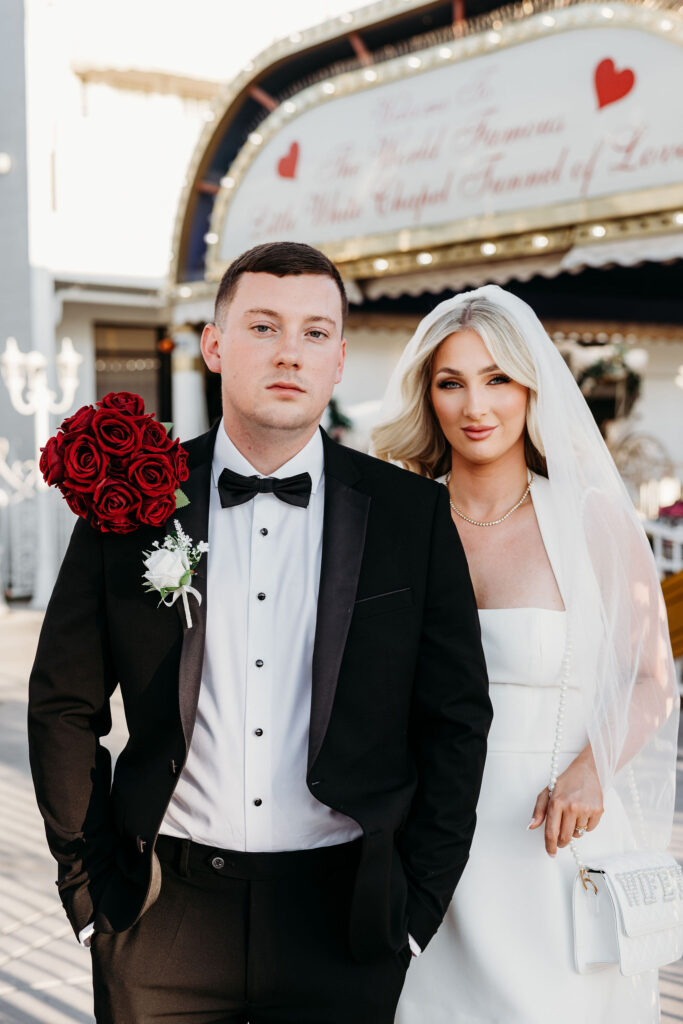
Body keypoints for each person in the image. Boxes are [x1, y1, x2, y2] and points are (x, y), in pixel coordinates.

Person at [27, 241, 492, 1024]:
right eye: (264, 326)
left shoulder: (410, 517)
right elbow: (63, 704)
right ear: (214, 345)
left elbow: (455, 718)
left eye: (315, 333)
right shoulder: (132, 499)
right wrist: (88, 891)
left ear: (340, 358)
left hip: (344, 923)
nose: (290, 352)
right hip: (158, 918)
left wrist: (413, 912)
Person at [372, 285, 678, 1024]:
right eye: (451, 383)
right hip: (421, 849)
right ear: (429, 397)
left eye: (497, 379)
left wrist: (591, 768)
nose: (475, 405)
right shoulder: (395, 525)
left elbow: (648, 679)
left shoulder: (589, 521)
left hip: (550, 845)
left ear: (531, 387)